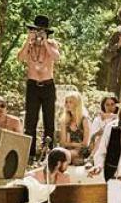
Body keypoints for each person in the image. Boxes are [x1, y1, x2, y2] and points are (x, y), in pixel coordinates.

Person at [17, 14, 60, 159]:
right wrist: (28, 40)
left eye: (42, 31)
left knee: (49, 120)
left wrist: (45, 42)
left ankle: (48, 152)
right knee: (31, 121)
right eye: (37, 31)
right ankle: (29, 153)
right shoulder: (29, 45)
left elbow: (56, 57)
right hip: (33, 85)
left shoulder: (52, 44)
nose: (39, 34)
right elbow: (20, 58)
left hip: (48, 85)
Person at [59, 91, 91, 165]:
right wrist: (75, 144)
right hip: (68, 150)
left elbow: (85, 144)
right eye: (66, 102)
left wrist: (71, 144)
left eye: (70, 102)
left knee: (64, 155)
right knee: (60, 154)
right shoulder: (65, 120)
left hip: (81, 150)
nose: (67, 104)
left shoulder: (84, 120)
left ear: (77, 104)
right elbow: (63, 143)